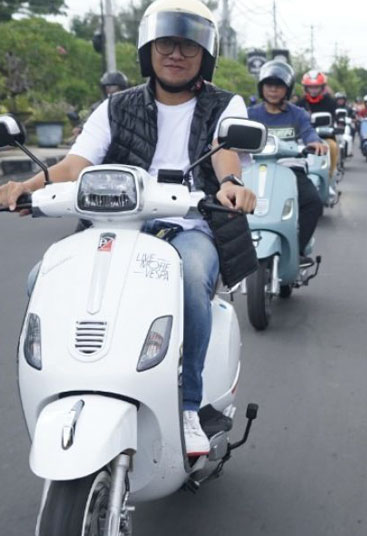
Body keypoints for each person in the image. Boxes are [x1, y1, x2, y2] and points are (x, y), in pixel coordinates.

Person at [0, 0, 256, 456]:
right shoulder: (116, 107)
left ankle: (188, 407)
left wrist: (231, 182)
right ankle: (68, 381)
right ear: (147, 50)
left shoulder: (224, 103)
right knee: (41, 278)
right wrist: (27, 185)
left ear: (204, 55)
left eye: (187, 45)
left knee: (192, 277)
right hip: (116, 224)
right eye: (165, 44)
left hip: (192, 223)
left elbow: (224, 148)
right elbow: (76, 164)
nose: (175, 54)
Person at [247, 60, 325, 264]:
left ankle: (297, 251)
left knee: (313, 203)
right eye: (268, 84)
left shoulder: (298, 114)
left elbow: (308, 132)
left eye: (279, 85)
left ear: (287, 89)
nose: (273, 89)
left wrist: (314, 142)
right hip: (255, 170)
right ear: (261, 87)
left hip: (290, 171)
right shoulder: (250, 114)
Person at [298, 70, 339, 179]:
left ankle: (330, 176)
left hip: (325, 136)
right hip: (303, 137)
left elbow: (334, 119)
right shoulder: (300, 103)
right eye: (310, 87)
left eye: (316, 87)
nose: (313, 90)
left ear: (322, 87)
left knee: (332, 146)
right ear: (305, 88)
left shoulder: (330, 101)